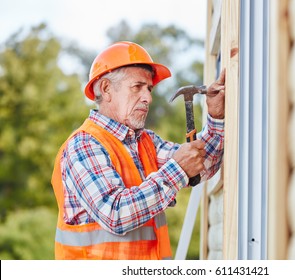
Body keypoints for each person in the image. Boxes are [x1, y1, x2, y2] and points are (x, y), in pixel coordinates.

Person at [51, 41, 225, 260]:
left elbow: (201, 164)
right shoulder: (84, 145)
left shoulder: (146, 142)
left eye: (149, 89)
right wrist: (178, 169)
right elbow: (116, 213)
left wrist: (216, 118)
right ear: (106, 89)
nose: (148, 98)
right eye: (137, 87)